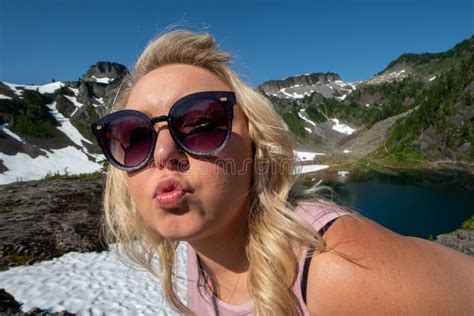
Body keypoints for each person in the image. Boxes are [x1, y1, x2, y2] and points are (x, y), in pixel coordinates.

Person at [91, 29, 474, 315]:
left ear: (258, 144)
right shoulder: (198, 253)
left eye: (202, 124)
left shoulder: (335, 270)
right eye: (134, 136)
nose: (162, 152)